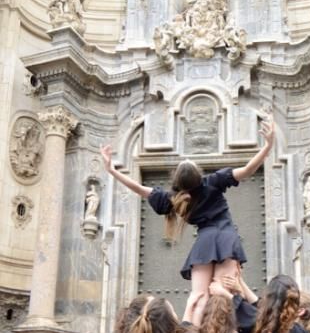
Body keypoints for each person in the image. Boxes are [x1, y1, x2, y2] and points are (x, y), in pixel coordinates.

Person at [100, 112, 274, 313]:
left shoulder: (174, 200)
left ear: (176, 182)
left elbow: (139, 188)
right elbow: (247, 170)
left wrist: (112, 171)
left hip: (204, 243)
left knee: (198, 297)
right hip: (226, 239)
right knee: (224, 295)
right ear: (199, 175)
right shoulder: (214, 182)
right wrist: (267, 146)